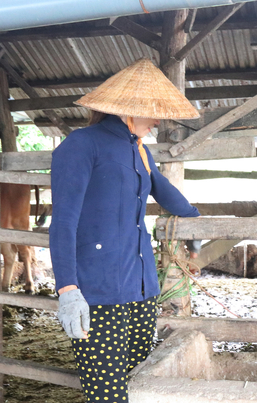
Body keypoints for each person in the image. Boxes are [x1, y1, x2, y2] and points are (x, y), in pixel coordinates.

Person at [50, 58, 201, 402]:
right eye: (152, 111)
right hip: (98, 293)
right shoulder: (81, 145)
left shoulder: (140, 151)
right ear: (128, 109)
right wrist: (67, 289)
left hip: (142, 288)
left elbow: (167, 195)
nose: (158, 120)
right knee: (107, 394)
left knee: (139, 380)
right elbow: (63, 222)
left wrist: (196, 223)